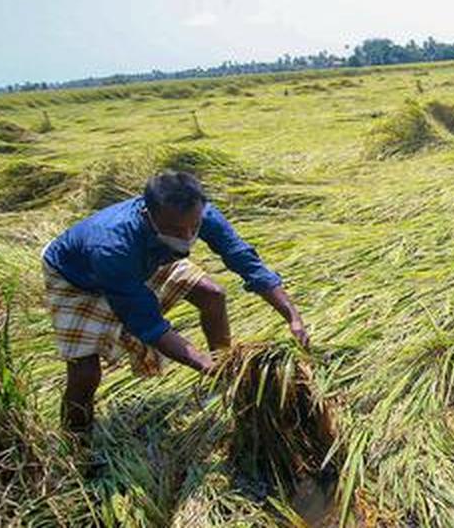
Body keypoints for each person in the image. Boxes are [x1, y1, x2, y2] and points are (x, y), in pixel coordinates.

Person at [40, 170, 309, 441]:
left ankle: (226, 371)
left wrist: (292, 316)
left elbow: (244, 260)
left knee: (212, 294)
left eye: (193, 228)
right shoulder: (112, 245)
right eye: (176, 230)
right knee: (85, 373)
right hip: (78, 278)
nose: (188, 237)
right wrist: (202, 364)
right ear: (149, 214)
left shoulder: (198, 215)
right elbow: (149, 324)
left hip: (149, 258)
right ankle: (77, 444)